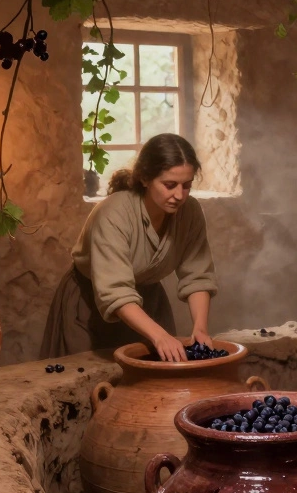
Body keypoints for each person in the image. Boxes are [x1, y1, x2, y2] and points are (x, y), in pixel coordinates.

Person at [41, 134, 217, 362]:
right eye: (170, 185)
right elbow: (116, 292)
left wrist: (200, 329)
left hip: (149, 304)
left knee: (155, 385)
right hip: (90, 306)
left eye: (187, 185)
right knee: (90, 382)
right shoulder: (114, 213)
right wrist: (160, 336)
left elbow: (197, 276)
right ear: (144, 178)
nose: (179, 195)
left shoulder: (190, 212)